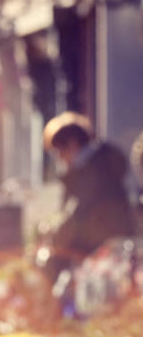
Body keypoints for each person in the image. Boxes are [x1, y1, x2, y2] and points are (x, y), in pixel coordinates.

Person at [43, 112, 135, 283]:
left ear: (72, 144)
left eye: (59, 151)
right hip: (111, 248)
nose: (60, 159)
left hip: (99, 250)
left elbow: (77, 213)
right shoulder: (100, 163)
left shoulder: (91, 171)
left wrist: (53, 237)